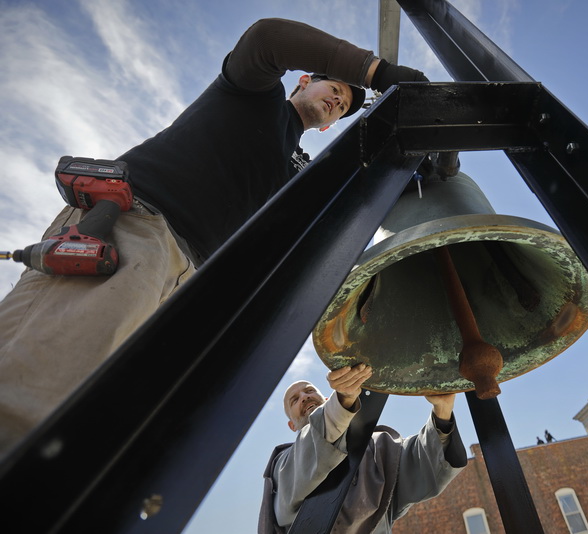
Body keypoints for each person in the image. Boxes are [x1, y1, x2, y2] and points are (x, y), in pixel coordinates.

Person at [0, 18, 427, 457]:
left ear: (328, 127)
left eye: (344, 104)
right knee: (34, 391)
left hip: (184, 286)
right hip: (134, 227)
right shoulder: (252, 96)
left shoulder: (297, 176)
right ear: (302, 81)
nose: (339, 99)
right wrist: (375, 74)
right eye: (334, 87)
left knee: (80, 425)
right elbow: (267, 39)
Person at [260, 364, 467, 533]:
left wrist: (442, 410)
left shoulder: (379, 448)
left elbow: (424, 465)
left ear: (325, 400)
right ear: (292, 426)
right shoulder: (284, 465)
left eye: (309, 390)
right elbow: (312, 443)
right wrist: (343, 400)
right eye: (294, 400)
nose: (304, 396)